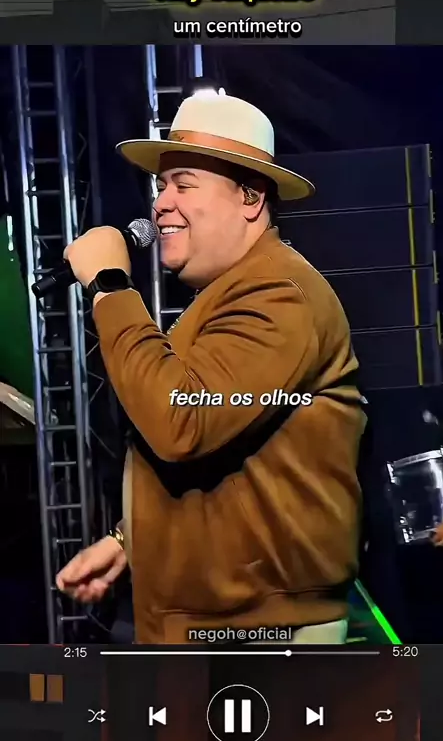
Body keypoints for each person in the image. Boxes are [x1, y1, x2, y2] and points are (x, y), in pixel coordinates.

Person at [55, 91, 367, 644]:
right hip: (217, 627)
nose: (160, 204)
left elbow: (182, 421)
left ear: (251, 198)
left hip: (261, 637)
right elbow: (238, 461)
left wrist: (110, 286)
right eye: (161, 186)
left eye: (183, 185)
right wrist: (132, 538)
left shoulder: (279, 296)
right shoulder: (233, 294)